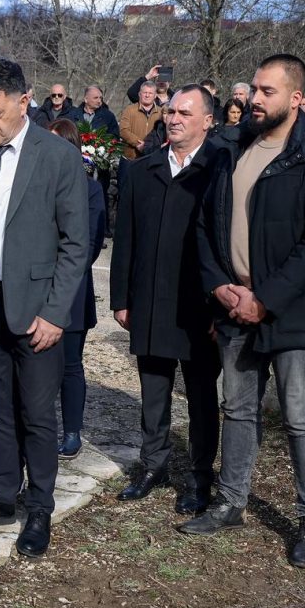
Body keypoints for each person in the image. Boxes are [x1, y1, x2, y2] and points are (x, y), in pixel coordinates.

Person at [188, 54, 305, 569]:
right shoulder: (230, 149)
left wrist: (267, 298)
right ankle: (231, 501)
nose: (253, 99)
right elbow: (205, 227)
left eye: (267, 92)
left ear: (297, 98)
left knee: (302, 418)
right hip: (236, 306)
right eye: (253, 90)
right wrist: (221, 288)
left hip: (294, 311)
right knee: (237, 409)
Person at [0, 57, 89, 558]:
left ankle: (40, 505)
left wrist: (54, 313)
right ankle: (1, 493)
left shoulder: (56, 157)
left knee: (35, 412)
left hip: (35, 309)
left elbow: (76, 244)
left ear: (24, 102)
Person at [110, 85, 223, 514]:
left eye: (184, 112)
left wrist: (221, 308)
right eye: (170, 111)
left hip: (198, 306)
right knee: (153, 392)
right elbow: (126, 240)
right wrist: (122, 298)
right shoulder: (143, 170)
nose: (173, 118)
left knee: (199, 396)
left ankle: (199, 477)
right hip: (151, 303)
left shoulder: (219, 169)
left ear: (207, 121)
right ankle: (153, 466)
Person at [46, 119, 106, 461]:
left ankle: (72, 432)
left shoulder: (90, 188)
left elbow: (90, 243)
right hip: (34, 287)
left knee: (70, 364)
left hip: (71, 288)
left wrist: (60, 273)